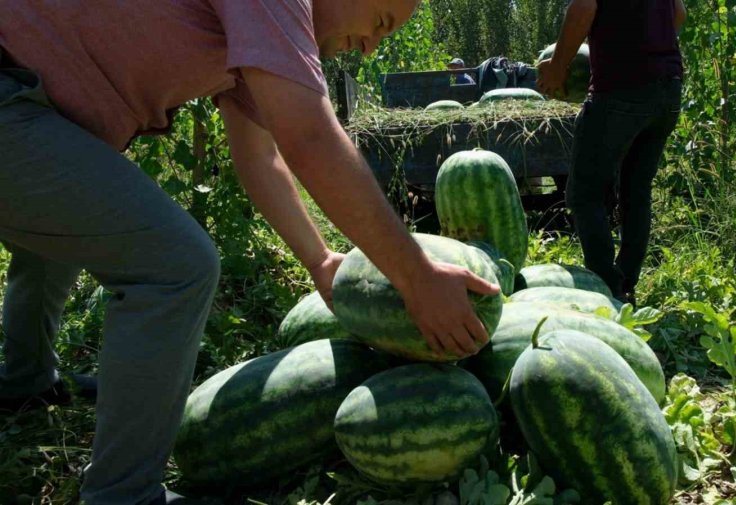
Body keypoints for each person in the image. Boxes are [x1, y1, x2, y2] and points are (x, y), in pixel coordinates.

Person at [0, 0, 500, 503]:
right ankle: (123, 495)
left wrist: (321, 261)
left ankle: (26, 381)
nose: (370, 46)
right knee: (176, 266)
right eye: (379, 23)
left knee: (62, 227)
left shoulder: (258, 35)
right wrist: (416, 279)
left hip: (41, 114)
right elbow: (307, 136)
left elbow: (260, 156)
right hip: (10, 97)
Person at [537, 0, 687, 306]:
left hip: (621, 88)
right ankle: (626, 282)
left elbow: (583, 7)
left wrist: (557, 67)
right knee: (636, 190)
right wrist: (650, 47)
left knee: (584, 194)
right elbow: (679, 13)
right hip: (668, 88)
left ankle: (606, 286)